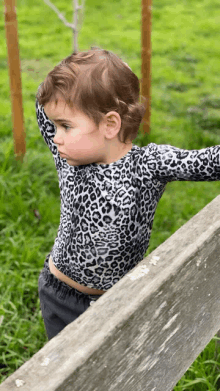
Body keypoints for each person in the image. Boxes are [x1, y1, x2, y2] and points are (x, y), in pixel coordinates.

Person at [35, 46, 220, 341]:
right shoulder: (68, 158)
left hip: (114, 303)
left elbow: (207, 162)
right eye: (55, 126)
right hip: (57, 293)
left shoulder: (147, 165)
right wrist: (81, 68)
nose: (55, 136)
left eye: (65, 126)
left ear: (110, 124)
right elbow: (42, 104)